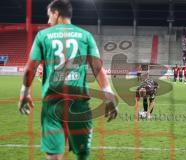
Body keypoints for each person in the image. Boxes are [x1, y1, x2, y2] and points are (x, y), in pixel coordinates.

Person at [17, 0, 118, 160]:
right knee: (82, 154)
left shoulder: (43, 36)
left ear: (56, 14)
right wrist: (109, 95)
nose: (48, 21)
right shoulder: (85, 36)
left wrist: (24, 93)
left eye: (49, 16)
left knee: (54, 156)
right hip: (79, 105)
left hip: (52, 104)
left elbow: (30, 68)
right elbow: (98, 68)